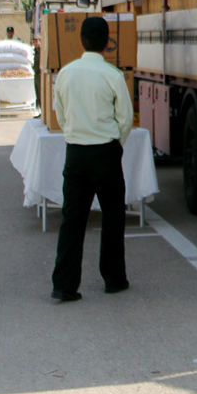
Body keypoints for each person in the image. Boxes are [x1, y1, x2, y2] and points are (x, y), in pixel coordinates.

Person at [50, 17, 133, 303]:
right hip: (105, 152)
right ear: (108, 43)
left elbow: (59, 114)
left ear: (81, 40)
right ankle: (114, 278)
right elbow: (124, 119)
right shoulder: (113, 75)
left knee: (72, 219)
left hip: (75, 152)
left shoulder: (65, 73)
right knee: (113, 217)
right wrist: (115, 145)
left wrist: (74, 132)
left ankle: (64, 285)